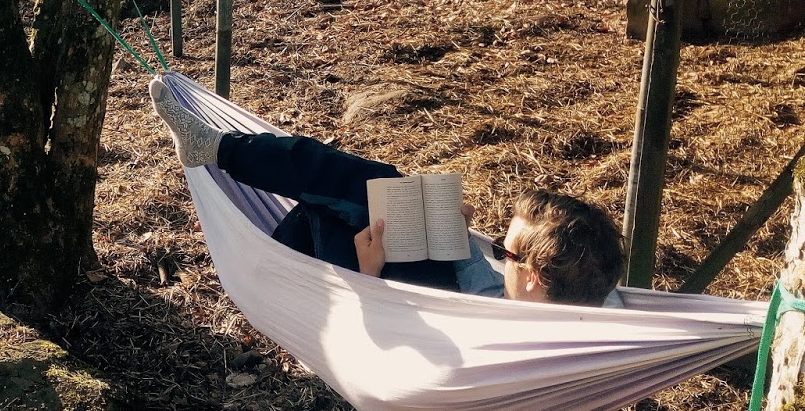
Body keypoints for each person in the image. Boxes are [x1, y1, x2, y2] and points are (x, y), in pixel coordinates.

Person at [149, 77, 625, 307]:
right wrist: (458, 236)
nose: (498, 256)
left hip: (394, 300)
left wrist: (370, 276)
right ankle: (223, 154)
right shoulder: (571, 301)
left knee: (354, 195)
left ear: (536, 276)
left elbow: (413, 354)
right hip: (419, 278)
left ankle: (218, 149)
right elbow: (479, 279)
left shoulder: (511, 339)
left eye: (505, 252)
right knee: (376, 192)